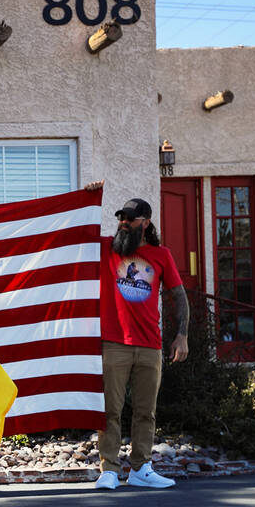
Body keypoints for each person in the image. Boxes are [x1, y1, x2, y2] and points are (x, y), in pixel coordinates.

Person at [96, 197, 189, 490]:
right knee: (110, 410)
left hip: (150, 345)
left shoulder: (161, 255)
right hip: (114, 343)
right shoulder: (105, 249)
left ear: (145, 223)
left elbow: (180, 296)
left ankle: (140, 468)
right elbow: (74, 230)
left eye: (131, 219)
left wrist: (182, 335)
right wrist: (89, 195)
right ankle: (109, 470)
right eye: (121, 218)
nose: (124, 222)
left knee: (145, 411)